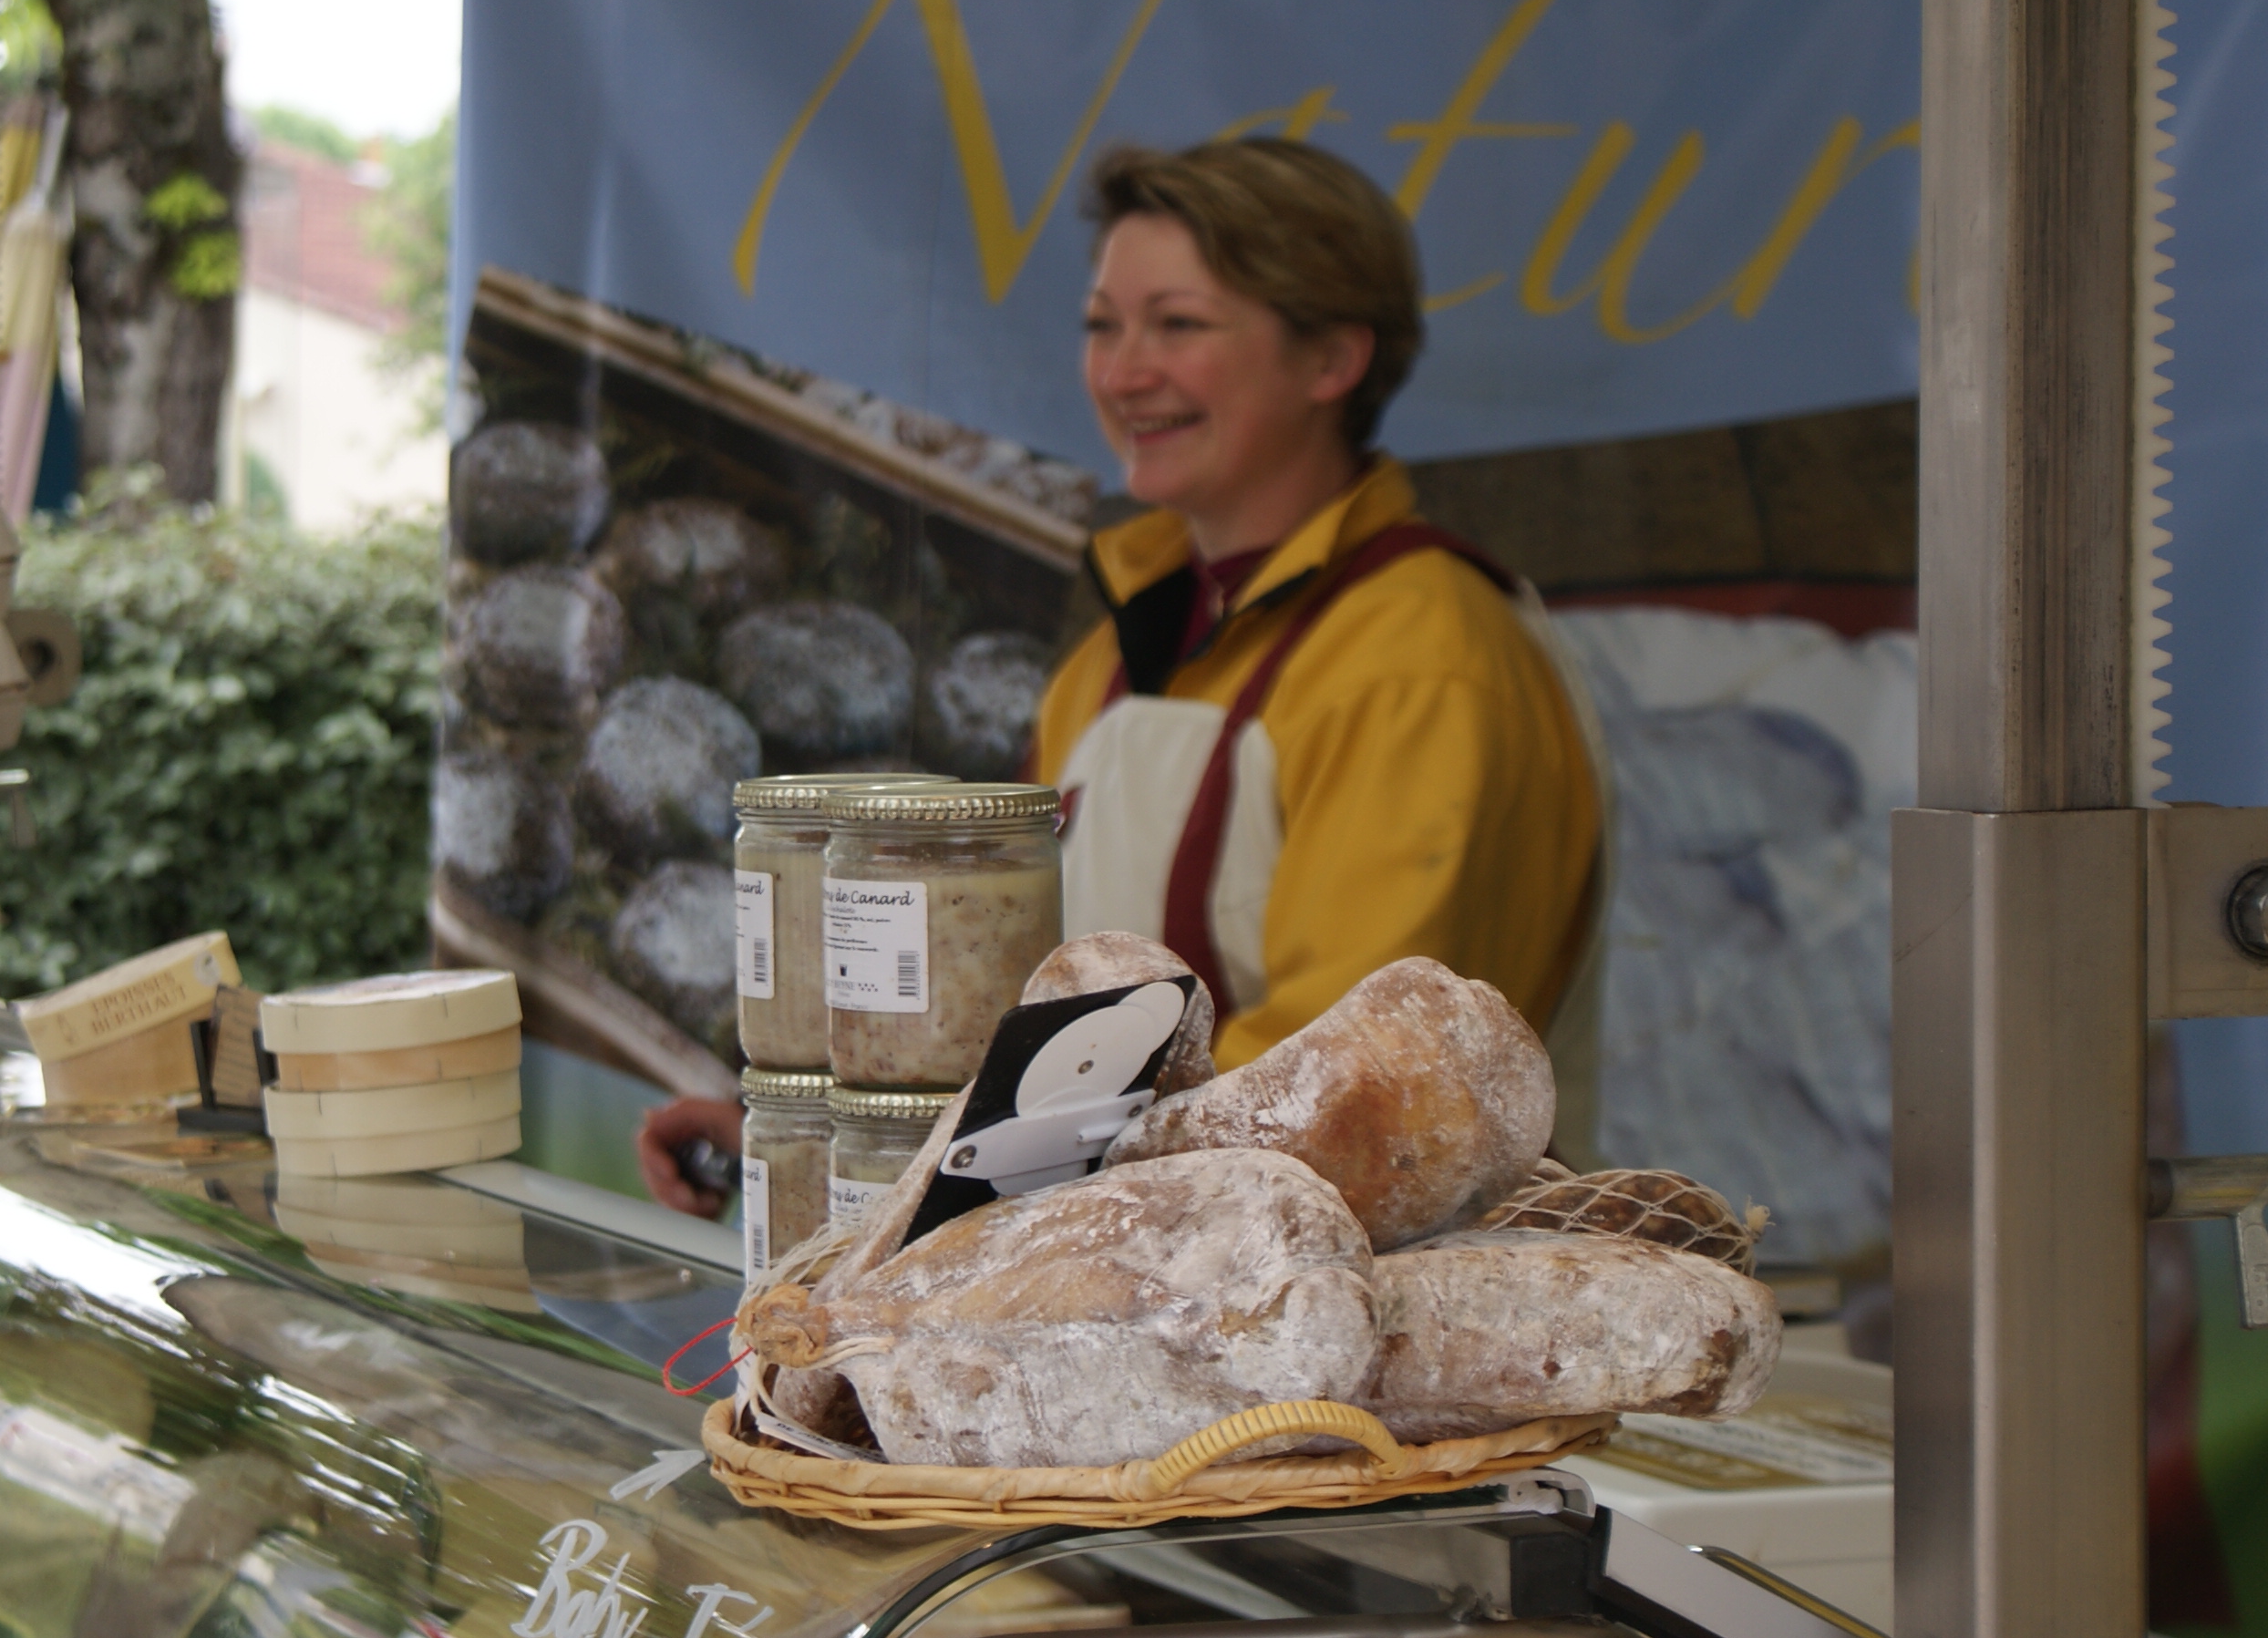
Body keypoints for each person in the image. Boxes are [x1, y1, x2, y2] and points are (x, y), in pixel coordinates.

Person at [641, 137, 1605, 1216]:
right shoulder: (1110, 661)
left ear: (1331, 360)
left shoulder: (1422, 656)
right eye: (1103, 326)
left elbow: (1343, 1084)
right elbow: (1015, 1008)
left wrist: (959, 1177)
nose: (1121, 371)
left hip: (1353, 1314)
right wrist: (834, 1135)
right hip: (1137, 1277)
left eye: (1178, 325)